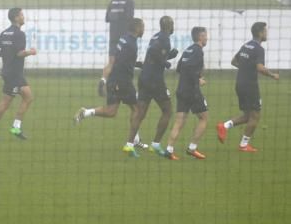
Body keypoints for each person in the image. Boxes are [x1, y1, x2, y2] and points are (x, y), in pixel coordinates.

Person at [74, 18, 145, 139]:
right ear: (138, 28)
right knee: (138, 109)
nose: (144, 29)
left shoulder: (124, 39)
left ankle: (85, 112)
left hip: (114, 79)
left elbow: (118, 60)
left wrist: (135, 64)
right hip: (123, 81)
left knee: (111, 111)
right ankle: (132, 141)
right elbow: (122, 63)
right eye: (143, 27)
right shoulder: (132, 44)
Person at [217, 22, 280, 152]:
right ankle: (244, 145)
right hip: (250, 86)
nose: (266, 33)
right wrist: (273, 75)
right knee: (255, 116)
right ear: (260, 33)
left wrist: (245, 68)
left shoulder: (246, 45)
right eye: (265, 31)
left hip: (240, 84)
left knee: (247, 116)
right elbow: (260, 68)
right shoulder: (258, 48)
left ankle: (224, 126)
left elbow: (233, 61)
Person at [124, 15, 179, 158]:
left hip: (144, 78)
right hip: (155, 80)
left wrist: (168, 57)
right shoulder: (165, 39)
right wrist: (164, 62)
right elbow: (155, 53)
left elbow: (153, 55)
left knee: (140, 113)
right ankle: (155, 144)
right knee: (167, 110)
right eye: (172, 25)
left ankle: (129, 145)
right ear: (170, 26)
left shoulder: (155, 36)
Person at [0, 8, 37, 142]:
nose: (23, 17)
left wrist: (7, 56)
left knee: (17, 100)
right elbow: (19, 53)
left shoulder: (5, 33)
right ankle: (2, 128)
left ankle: (3, 128)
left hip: (10, 72)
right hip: (14, 74)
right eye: (22, 15)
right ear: (16, 18)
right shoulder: (19, 34)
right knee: (17, 100)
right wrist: (30, 52)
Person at [164, 26, 210, 160]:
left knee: (179, 122)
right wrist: (198, 79)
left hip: (181, 90)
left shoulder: (188, 50)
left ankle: (169, 149)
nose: (207, 38)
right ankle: (192, 148)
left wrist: (195, 75)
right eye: (205, 35)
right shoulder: (197, 51)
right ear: (200, 37)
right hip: (192, 91)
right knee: (204, 118)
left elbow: (179, 68)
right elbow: (189, 69)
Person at [99, 0, 134, 97]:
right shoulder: (129, 2)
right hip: (124, 38)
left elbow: (107, 18)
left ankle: (103, 80)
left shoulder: (112, 2)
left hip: (113, 36)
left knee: (111, 63)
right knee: (125, 63)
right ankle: (126, 88)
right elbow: (130, 19)